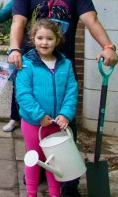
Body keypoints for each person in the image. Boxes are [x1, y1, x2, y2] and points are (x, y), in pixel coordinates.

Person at [8, 0, 118, 197]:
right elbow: (18, 22)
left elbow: (91, 20)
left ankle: (68, 181)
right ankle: (38, 169)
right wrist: (14, 49)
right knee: (34, 125)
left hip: (62, 69)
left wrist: (108, 46)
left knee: (66, 124)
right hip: (33, 69)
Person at [16, 19, 78, 197]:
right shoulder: (27, 64)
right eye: (40, 38)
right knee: (34, 159)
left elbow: (71, 91)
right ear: (33, 39)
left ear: (57, 40)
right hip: (34, 123)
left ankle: (54, 194)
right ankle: (31, 194)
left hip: (56, 124)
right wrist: (39, 115)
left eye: (49, 38)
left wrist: (66, 114)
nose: (44, 42)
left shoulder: (65, 64)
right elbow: (23, 94)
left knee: (54, 162)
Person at [0, 0, 38, 132]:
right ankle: (14, 119)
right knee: (19, 85)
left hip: (41, 47)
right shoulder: (17, 0)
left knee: (39, 85)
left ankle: (35, 120)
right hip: (21, 48)